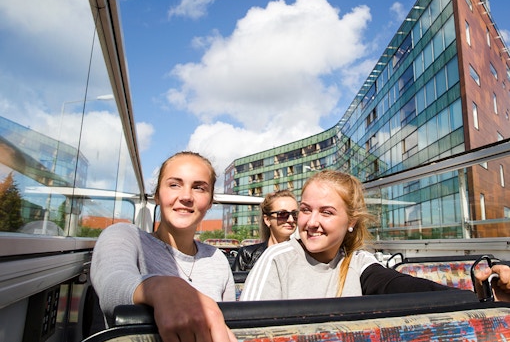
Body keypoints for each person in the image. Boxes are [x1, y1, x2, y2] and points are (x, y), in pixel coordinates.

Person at [241, 170, 510, 302]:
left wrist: (480, 295)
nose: (311, 222)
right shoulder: (278, 259)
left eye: (326, 212)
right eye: (305, 210)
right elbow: (248, 327)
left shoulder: (358, 263)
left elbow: (399, 285)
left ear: (351, 221)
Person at [91, 151, 237, 342]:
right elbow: (111, 284)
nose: (186, 196)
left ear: (210, 202)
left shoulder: (216, 258)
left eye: (199, 188)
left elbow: (229, 323)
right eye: (174, 185)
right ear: (157, 195)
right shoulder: (125, 236)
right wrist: (160, 287)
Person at [232, 190, 298, 271]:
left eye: (295, 214)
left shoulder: (303, 255)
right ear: (267, 220)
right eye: (282, 214)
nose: (291, 220)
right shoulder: (248, 255)